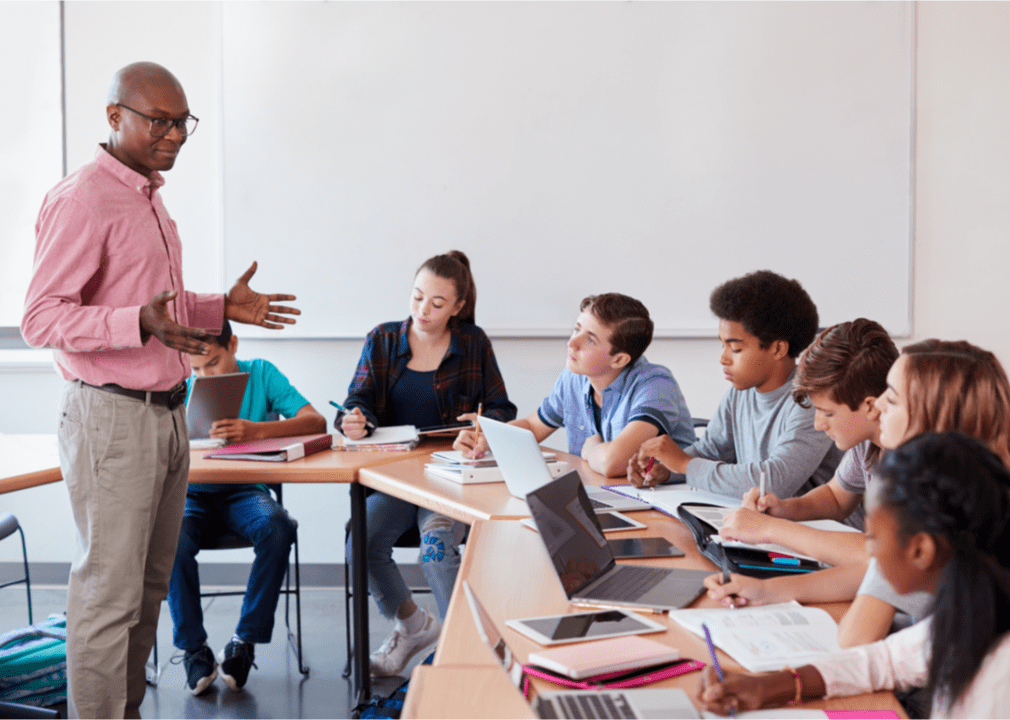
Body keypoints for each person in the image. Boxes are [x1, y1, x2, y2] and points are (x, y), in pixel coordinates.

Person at [20, 62, 299, 718]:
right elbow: (40, 318)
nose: (173, 134)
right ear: (114, 116)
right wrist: (133, 323)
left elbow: (158, 309)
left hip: (168, 415)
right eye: (159, 121)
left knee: (146, 592)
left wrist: (220, 307)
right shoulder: (82, 197)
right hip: (112, 416)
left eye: (182, 122)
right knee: (107, 597)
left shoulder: (148, 194)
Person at [705, 339, 1010, 651]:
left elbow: (857, 629)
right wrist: (769, 591)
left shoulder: (943, 505)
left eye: (891, 399)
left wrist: (772, 532)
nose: (876, 407)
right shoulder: (962, 484)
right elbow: (876, 569)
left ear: (932, 418)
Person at [697, 432, 1010, 719]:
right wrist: (769, 686)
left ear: (920, 551)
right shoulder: (969, 611)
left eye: (872, 538)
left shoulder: (997, 680)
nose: (868, 554)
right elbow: (882, 662)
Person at [337, 250, 517, 677]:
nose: (423, 310)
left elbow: (503, 411)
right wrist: (354, 420)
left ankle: (467, 645)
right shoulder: (382, 339)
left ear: (457, 307)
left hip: (450, 476)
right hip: (397, 476)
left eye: (437, 304)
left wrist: (481, 429)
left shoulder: (473, 343)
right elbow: (356, 401)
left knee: (436, 550)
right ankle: (414, 626)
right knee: (359, 544)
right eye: (417, 297)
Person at [169, 320, 326, 694]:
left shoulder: (261, 373)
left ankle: (245, 641)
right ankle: (194, 649)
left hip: (245, 492)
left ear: (233, 345)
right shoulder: (175, 384)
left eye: (213, 363)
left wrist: (256, 430)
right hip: (191, 494)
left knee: (278, 527)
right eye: (196, 369)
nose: (204, 376)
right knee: (169, 538)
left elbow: (315, 421)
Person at [628, 270, 841, 499]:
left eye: (736, 349)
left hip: (815, 527)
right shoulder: (741, 393)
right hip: (759, 522)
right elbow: (710, 452)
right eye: (723, 346)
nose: (723, 358)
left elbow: (775, 481)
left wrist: (685, 466)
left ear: (778, 349)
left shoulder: (811, 400)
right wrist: (666, 470)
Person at [717, 319, 899, 567]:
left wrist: (771, 529)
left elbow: (885, 555)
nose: (818, 425)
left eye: (828, 413)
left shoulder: (912, 457)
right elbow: (836, 498)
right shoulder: (866, 442)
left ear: (870, 406)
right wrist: (784, 510)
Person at [454, 293, 695, 477]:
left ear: (619, 359)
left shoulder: (655, 384)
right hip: (601, 490)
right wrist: (490, 440)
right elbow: (533, 426)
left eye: (590, 339)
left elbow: (613, 462)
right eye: (577, 328)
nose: (572, 342)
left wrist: (590, 450)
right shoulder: (575, 377)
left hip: (661, 504)